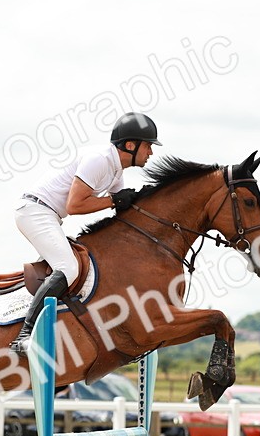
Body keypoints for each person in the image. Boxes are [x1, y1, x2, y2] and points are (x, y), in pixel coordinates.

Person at [9, 112, 161, 355]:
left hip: (47, 214)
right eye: (148, 146)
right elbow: (75, 205)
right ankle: (25, 335)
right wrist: (114, 200)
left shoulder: (116, 171)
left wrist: (145, 200)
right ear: (130, 145)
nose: (151, 153)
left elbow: (119, 210)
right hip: (35, 211)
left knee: (79, 268)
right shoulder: (100, 160)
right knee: (69, 268)